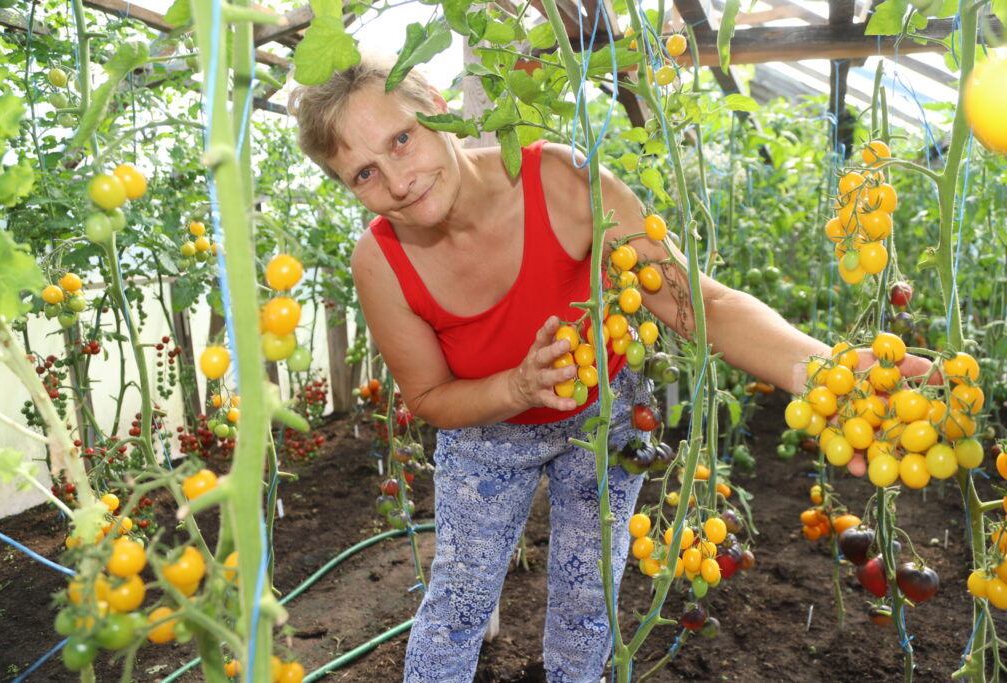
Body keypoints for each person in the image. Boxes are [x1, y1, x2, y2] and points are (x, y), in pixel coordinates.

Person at [288, 53, 929, 682]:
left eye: (401, 139)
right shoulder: (379, 262)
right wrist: (516, 386)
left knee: (587, 590)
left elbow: (699, 302)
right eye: (364, 174)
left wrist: (817, 370)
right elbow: (428, 396)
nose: (397, 181)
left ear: (437, 108)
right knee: (457, 601)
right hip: (484, 434)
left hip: (605, 413)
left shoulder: (562, 182)